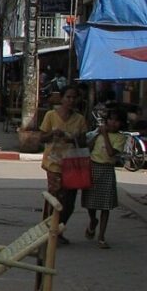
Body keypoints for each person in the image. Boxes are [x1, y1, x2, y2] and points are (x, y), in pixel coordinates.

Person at [39, 86, 88, 244]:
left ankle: (58, 229)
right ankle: (47, 233)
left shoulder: (79, 119)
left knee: (69, 202)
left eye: (74, 98)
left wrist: (72, 138)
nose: (71, 100)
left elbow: (83, 141)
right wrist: (53, 134)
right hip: (54, 164)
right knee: (55, 198)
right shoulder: (51, 115)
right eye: (68, 97)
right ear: (62, 98)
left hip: (72, 165)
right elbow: (41, 137)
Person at [84, 108, 125, 248]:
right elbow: (88, 148)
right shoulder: (99, 134)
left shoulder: (120, 138)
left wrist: (105, 135)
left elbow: (111, 152)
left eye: (117, 121)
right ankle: (92, 220)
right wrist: (97, 134)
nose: (113, 123)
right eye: (111, 120)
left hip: (107, 169)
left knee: (105, 206)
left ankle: (101, 236)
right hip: (93, 167)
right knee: (90, 202)